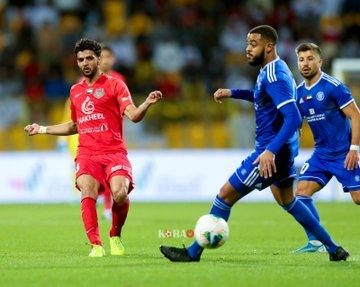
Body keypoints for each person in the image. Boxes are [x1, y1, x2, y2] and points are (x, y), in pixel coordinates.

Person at [160, 25, 348, 262]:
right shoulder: (276, 70)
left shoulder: (274, 75)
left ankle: (192, 253)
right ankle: (333, 248)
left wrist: (270, 150)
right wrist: (233, 92)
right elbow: (262, 96)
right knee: (288, 201)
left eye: (253, 44)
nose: (247, 49)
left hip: (269, 153)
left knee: (224, 195)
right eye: (247, 44)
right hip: (284, 151)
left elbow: (293, 116)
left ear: (269, 46)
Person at [24, 39, 162, 257]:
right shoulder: (75, 91)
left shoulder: (115, 84)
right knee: (87, 190)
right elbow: (74, 125)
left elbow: (134, 116)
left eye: (89, 58)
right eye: (81, 59)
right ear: (77, 62)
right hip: (87, 153)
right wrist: (41, 129)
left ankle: (115, 235)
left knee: (120, 193)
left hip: (114, 151)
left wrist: (146, 103)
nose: (85, 63)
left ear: (99, 59)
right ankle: (95, 245)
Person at [292, 42, 360, 253]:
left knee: (358, 199)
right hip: (321, 155)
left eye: (310, 58)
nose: (305, 63)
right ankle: (316, 242)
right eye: (301, 59)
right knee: (301, 193)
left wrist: (354, 148)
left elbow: (356, 116)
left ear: (320, 61)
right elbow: (295, 124)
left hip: (344, 153)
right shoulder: (298, 92)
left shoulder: (333, 86)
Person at [58, 44, 127, 221]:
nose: (105, 60)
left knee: (110, 173)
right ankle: (95, 200)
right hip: (87, 133)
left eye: (108, 57)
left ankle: (106, 205)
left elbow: (123, 106)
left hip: (111, 134)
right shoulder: (82, 84)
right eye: (102, 57)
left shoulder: (118, 80)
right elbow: (73, 109)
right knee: (92, 169)